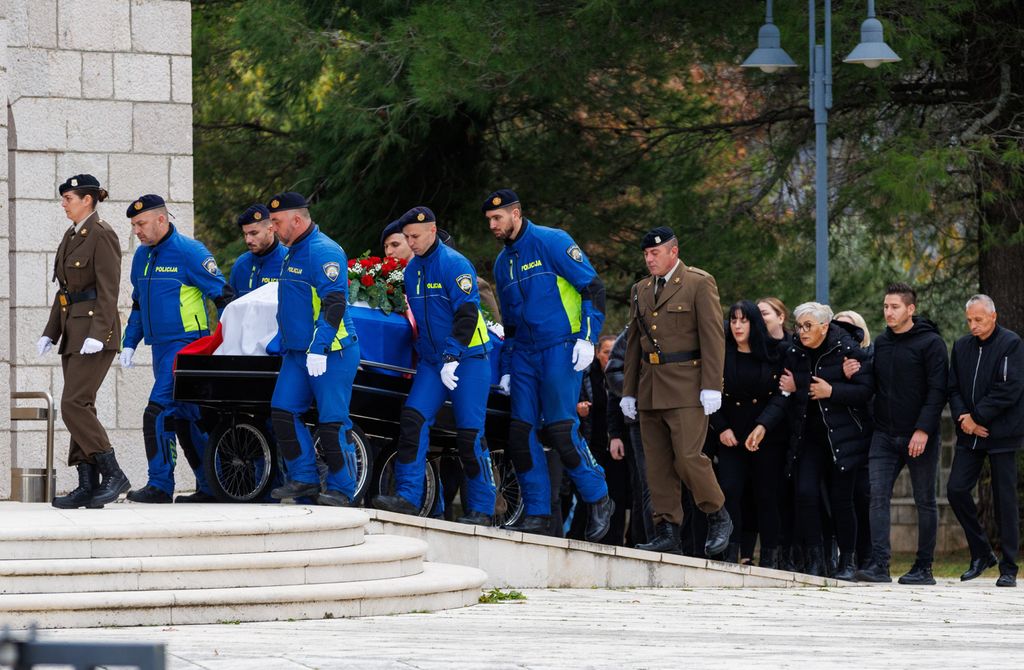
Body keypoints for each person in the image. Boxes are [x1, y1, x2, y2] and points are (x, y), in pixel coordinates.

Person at [484, 188, 613, 541]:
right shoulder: (502, 263)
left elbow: (592, 288)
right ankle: (537, 513)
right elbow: (509, 325)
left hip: (560, 347)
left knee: (559, 429)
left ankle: (598, 496)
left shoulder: (553, 242)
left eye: (498, 218)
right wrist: (508, 366)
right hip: (524, 354)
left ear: (516, 213)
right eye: (489, 221)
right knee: (520, 435)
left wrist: (588, 337)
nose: (493, 225)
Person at [372, 206, 497, 524]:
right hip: (433, 362)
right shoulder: (413, 271)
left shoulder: (455, 264)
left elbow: (467, 314)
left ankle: (482, 508)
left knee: (469, 433)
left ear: (432, 229)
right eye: (407, 238)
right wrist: (436, 358)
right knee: (413, 420)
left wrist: (453, 356)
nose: (411, 243)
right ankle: (409, 497)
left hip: (468, 359)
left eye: (415, 237)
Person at [620, 226, 732, 556]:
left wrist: (712, 385)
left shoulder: (698, 282)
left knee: (687, 457)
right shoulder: (640, 290)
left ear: (674, 251)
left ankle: (717, 514)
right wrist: (628, 391)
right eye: (646, 254)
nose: (650, 259)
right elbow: (633, 347)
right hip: (650, 386)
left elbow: (714, 337)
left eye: (655, 253)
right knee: (656, 465)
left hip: (687, 385)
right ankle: (667, 529)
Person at [121, 194, 235, 503]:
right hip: (160, 348)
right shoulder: (142, 257)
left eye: (141, 224)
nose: (137, 231)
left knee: (157, 411)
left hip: (188, 346)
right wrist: (128, 343)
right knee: (185, 417)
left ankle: (159, 485)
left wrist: (233, 340)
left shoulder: (189, 251)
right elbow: (137, 305)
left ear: (162, 219)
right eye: (133, 225)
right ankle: (212, 487)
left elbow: (223, 296)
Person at [747, 302, 872, 578]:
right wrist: (762, 425)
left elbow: (865, 391)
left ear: (824, 327)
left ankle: (847, 562)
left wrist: (832, 390)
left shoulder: (847, 348)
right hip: (808, 437)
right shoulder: (794, 351)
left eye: (808, 326)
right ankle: (816, 560)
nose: (802, 332)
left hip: (842, 436)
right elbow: (785, 394)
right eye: (799, 326)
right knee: (805, 493)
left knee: (842, 500)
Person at [838, 286, 946, 584]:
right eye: (886, 306)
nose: (888, 312)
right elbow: (873, 383)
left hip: (919, 435)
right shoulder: (883, 343)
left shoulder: (931, 344)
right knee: (876, 497)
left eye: (895, 307)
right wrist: (854, 373)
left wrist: (923, 430)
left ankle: (923, 568)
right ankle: (879, 565)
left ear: (910, 309)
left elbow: (938, 391)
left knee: (924, 500)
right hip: (884, 435)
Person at [264, 192, 361, 506]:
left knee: (332, 422)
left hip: (331, 351)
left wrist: (319, 347)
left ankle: (343, 490)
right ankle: (304, 478)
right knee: (282, 411)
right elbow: (295, 304)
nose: (273, 229)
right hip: (297, 353)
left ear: (296, 219)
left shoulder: (324, 251)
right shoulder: (292, 250)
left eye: (277, 222)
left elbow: (334, 303)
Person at [40, 174, 130, 508]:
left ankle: (113, 471)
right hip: (73, 332)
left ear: (87, 200)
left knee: (72, 404)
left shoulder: (102, 234)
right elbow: (65, 291)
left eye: (69, 198)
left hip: (95, 333)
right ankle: (87, 483)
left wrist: (99, 334)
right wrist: (51, 332)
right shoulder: (71, 236)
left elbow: (109, 291)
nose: (64, 204)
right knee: (83, 405)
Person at [946, 294, 1023, 587]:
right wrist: (965, 418)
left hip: (1001, 432)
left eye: (978, 320)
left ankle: (1009, 567)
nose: (973, 325)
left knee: (1005, 500)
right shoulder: (962, 346)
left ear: (993, 316)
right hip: (970, 432)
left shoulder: (1011, 343)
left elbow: (1009, 389)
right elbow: (952, 387)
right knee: (956, 489)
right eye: (969, 320)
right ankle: (981, 553)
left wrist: (977, 418)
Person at [709, 300, 785, 566]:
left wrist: (764, 425)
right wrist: (721, 427)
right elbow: (708, 394)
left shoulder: (775, 352)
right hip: (730, 435)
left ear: (754, 323)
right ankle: (731, 553)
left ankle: (770, 557)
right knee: (730, 490)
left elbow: (781, 395)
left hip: (766, 435)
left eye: (744, 320)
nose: (738, 326)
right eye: (733, 320)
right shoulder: (720, 353)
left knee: (766, 495)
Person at [228, 204, 287, 298]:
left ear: (270, 230)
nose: (248, 240)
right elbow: (230, 307)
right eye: (245, 234)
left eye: (254, 233)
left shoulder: (289, 262)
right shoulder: (240, 265)